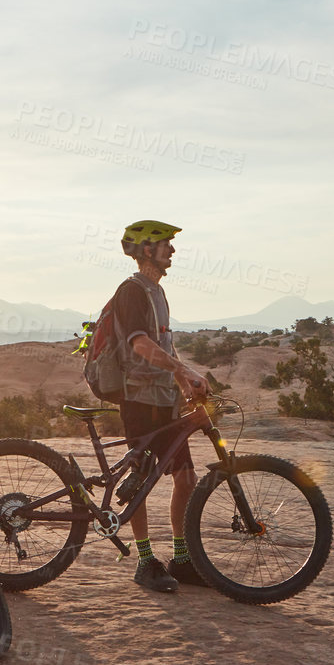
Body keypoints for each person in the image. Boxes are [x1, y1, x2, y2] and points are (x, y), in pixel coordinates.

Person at [111, 219, 211, 593]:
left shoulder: (157, 292)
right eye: (165, 244)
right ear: (146, 250)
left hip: (164, 401)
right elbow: (140, 345)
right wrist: (181, 370)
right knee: (140, 484)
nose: (172, 249)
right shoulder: (132, 291)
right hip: (138, 401)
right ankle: (144, 560)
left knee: (186, 479)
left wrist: (184, 378)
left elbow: (164, 347)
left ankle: (182, 559)